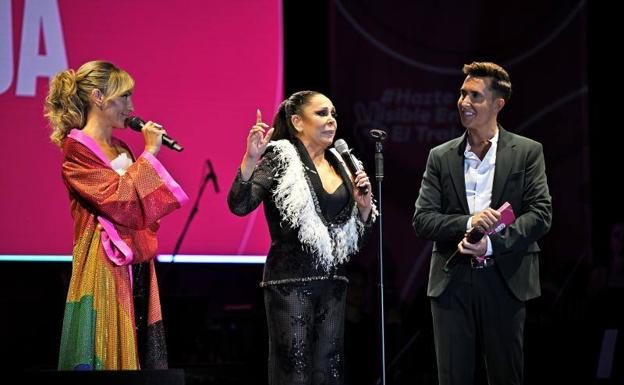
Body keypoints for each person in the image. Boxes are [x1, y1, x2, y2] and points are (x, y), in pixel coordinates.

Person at [412, 62, 552, 385]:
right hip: (453, 280)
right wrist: (469, 222)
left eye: (475, 95)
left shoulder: (527, 152)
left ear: (497, 104)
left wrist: (491, 243)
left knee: (506, 375)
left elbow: (541, 214)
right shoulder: (440, 156)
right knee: (453, 377)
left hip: (505, 276)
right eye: (462, 94)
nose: (464, 102)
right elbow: (422, 220)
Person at [44, 60, 189, 370]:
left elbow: (146, 205)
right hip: (104, 261)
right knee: (108, 344)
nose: (131, 106)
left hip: (138, 258)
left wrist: (143, 161)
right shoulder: (77, 150)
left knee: (139, 347)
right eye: (124, 96)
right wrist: (149, 154)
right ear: (98, 97)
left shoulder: (122, 146)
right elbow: (119, 202)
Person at [228, 90, 377, 385]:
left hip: (333, 285)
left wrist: (363, 210)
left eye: (333, 113)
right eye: (322, 113)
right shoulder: (280, 157)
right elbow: (240, 205)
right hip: (290, 284)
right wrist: (250, 158)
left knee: (329, 373)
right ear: (297, 121)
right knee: (294, 373)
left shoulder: (342, 163)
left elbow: (354, 242)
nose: (331, 120)